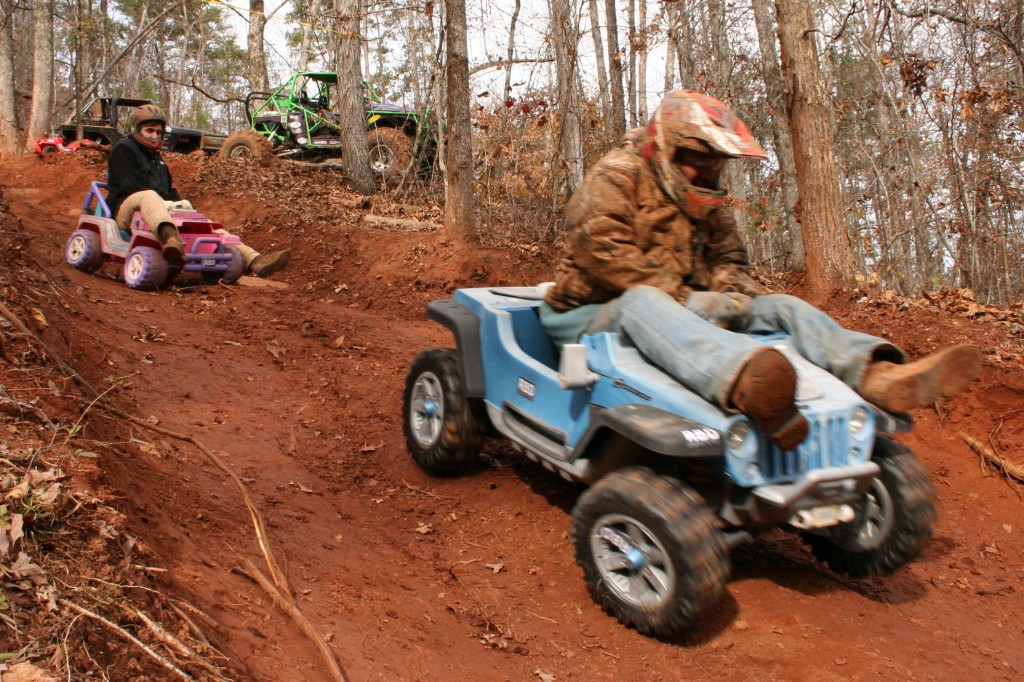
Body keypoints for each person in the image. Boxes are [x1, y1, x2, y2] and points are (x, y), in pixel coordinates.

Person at [540, 90, 982, 451]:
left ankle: (877, 375)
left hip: (681, 311)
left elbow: (731, 261)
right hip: (592, 314)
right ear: (667, 148)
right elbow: (605, 253)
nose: (708, 170)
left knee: (782, 307)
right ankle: (749, 384)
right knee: (642, 301)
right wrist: (691, 300)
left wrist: (729, 296)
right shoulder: (617, 175)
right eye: (699, 157)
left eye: (716, 162)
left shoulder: (707, 197)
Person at [105, 104, 291, 277]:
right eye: (149, 131)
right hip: (126, 210)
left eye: (158, 132)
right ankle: (172, 240)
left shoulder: (158, 160)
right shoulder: (124, 149)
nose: (154, 136)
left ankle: (254, 260)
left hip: (155, 211)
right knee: (149, 195)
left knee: (197, 220)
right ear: (137, 130)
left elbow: (169, 191)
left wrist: (182, 208)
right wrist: (165, 203)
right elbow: (130, 186)